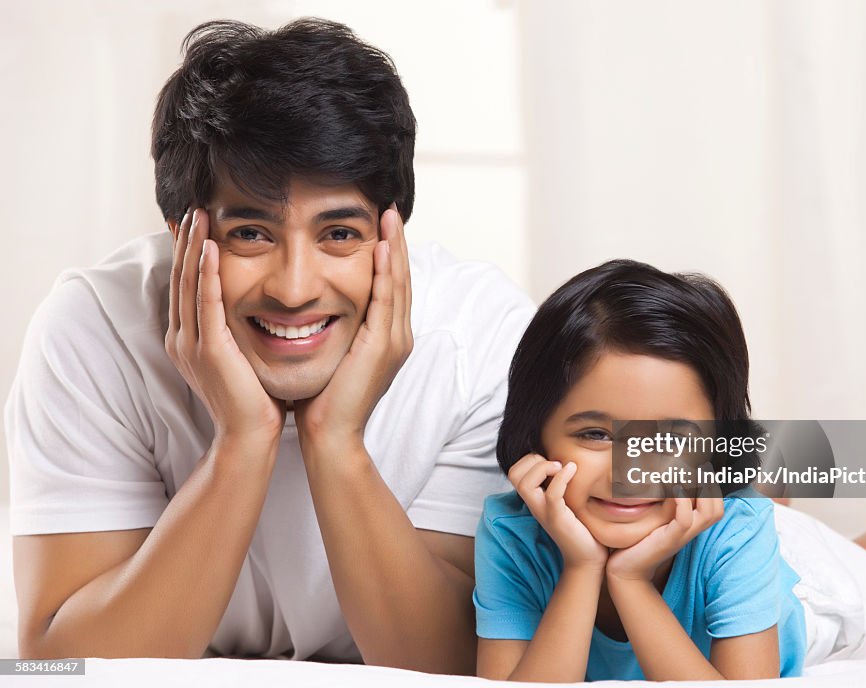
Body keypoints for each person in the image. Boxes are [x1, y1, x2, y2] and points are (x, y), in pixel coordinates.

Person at [6, 19, 534, 671]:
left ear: (391, 231)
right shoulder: (94, 328)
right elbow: (62, 665)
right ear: (180, 234)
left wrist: (336, 440)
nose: (293, 289)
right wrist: (242, 440)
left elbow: (454, 667)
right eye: (251, 234)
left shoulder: (480, 338)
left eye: (339, 233)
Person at [473, 260, 866, 681]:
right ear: (534, 434)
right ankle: (770, 485)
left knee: (853, 560)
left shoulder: (737, 532)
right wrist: (582, 567)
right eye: (596, 434)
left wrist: (630, 581)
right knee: (757, 516)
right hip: (704, 513)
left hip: (784, 588)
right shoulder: (511, 531)